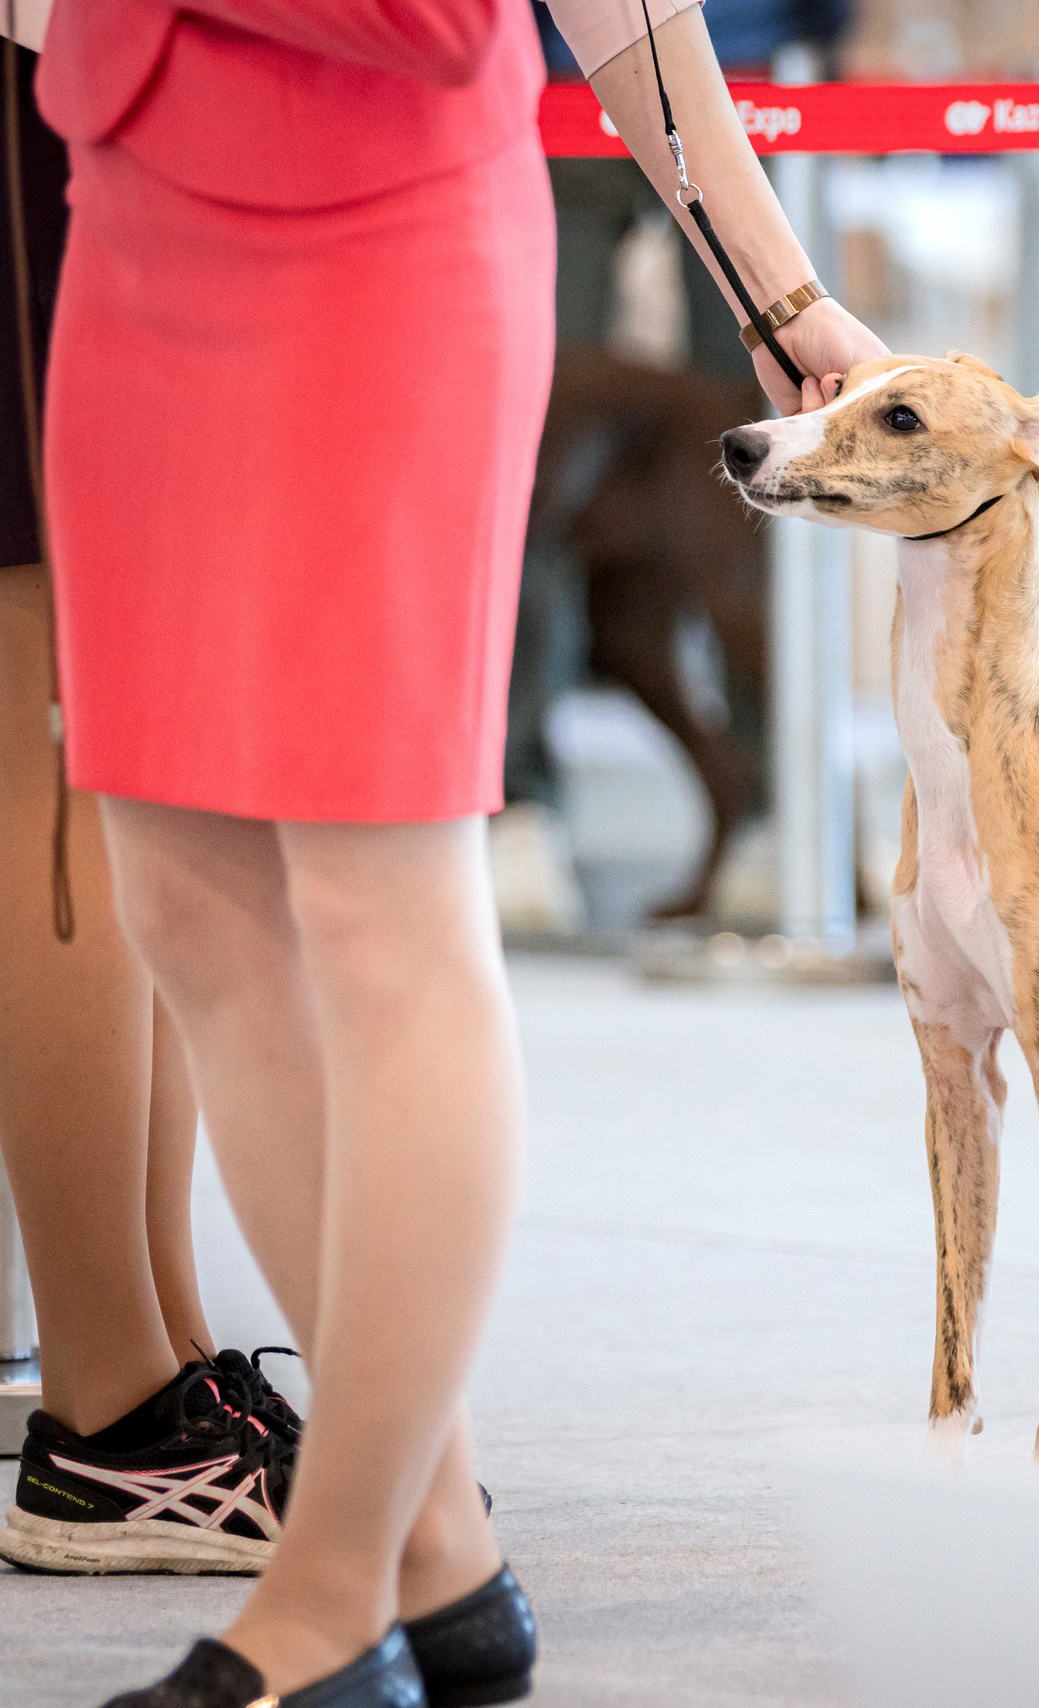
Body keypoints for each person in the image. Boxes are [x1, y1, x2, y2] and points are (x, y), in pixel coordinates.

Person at [37, 6, 884, 1707]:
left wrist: (774, 290)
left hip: (379, 220)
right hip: (127, 207)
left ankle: (331, 1593)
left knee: (383, 915)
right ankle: (435, 1550)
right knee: (185, 901)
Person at [0, 16, 305, 1580]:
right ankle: (107, 1410)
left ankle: (162, 1352)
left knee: (123, 739)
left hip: (104, 100)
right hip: (36, 96)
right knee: (50, 731)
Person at [494, 0, 850, 932]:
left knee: (779, 478)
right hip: (547, 68)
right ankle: (510, 803)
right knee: (513, 472)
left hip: (754, 62)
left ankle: (781, 811)